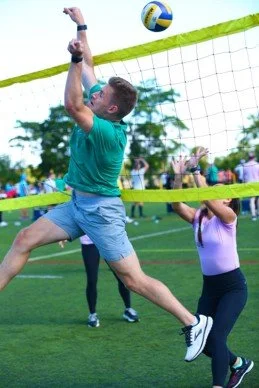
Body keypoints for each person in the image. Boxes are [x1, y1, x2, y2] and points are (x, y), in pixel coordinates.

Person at [0, 7, 212, 363]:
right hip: (77, 206)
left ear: (111, 110)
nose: (94, 94)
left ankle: (194, 322)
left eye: (99, 96)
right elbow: (89, 71)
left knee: (134, 280)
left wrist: (73, 59)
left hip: (101, 211)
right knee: (23, 239)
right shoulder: (104, 104)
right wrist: (81, 26)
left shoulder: (107, 131)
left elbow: (72, 103)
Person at [171, 148, 254, 388]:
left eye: (220, 192)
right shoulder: (198, 217)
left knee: (217, 337)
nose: (213, 193)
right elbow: (176, 204)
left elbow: (207, 196)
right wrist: (179, 175)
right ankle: (238, 363)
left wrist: (196, 169)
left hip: (233, 288)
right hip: (210, 289)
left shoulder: (228, 217)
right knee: (204, 340)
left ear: (228, 199)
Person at [80, 234, 139, 327]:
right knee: (92, 280)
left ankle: (128, 309)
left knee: (121, 276)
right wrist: (64, 236)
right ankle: (92, 314)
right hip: (89, 244)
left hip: (108, 242)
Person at [243, 152, 259, 221]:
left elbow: (244, 177)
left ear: (248, 158)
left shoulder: (245, 165)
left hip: (249, 183)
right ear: (254, 157)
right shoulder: (257, 164)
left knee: (252, 199)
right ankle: (258, 213)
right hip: (257, 183)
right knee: (258, 199)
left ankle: (253, 215)